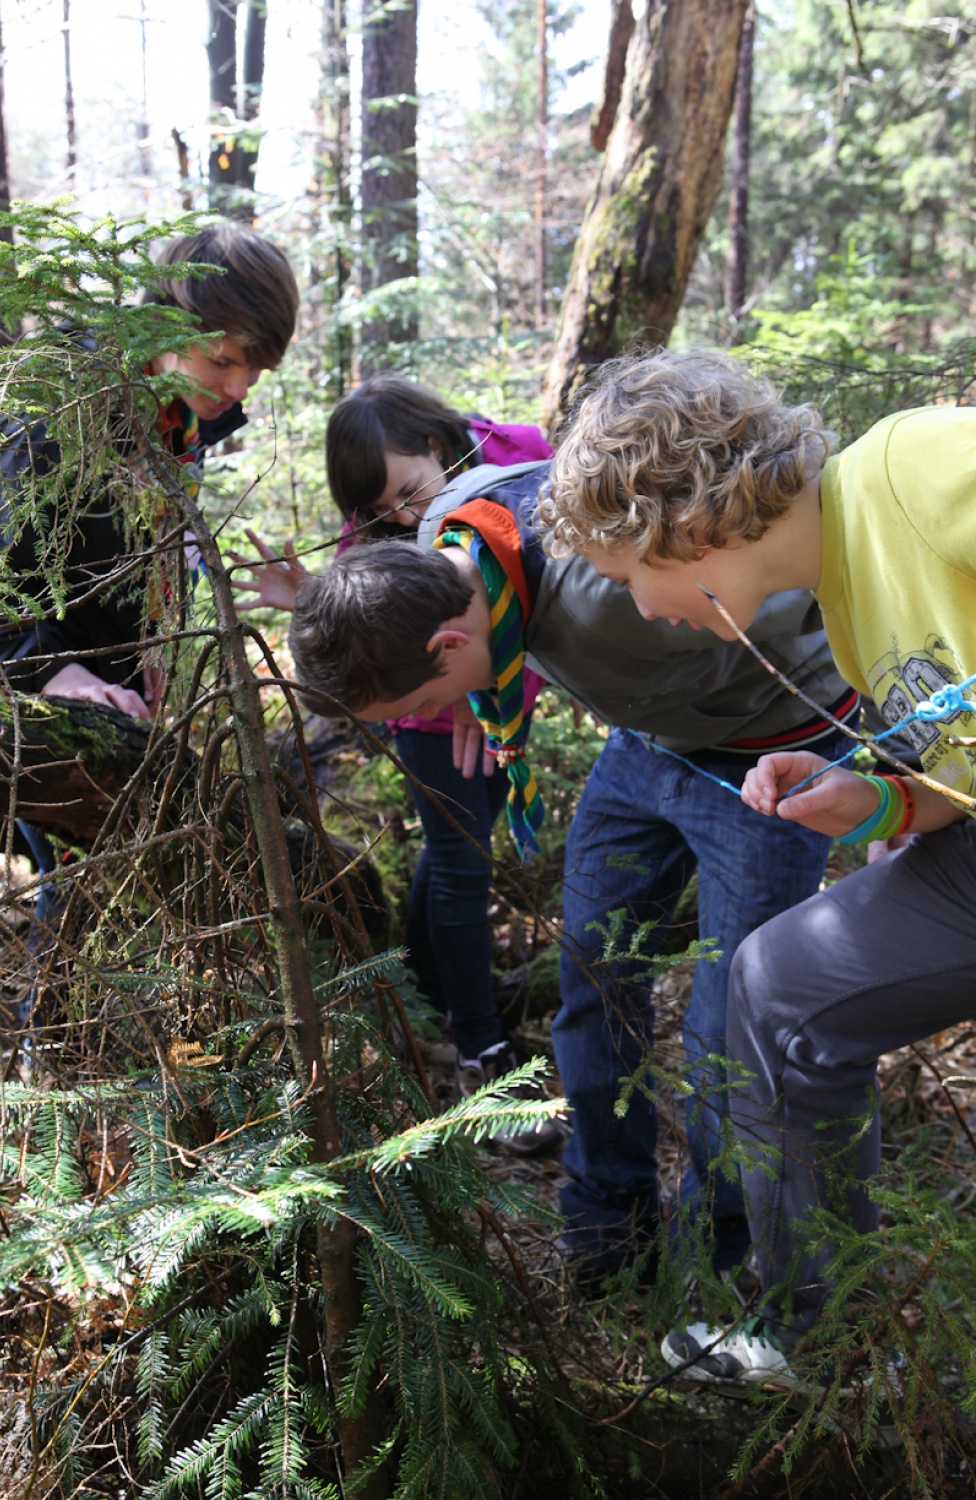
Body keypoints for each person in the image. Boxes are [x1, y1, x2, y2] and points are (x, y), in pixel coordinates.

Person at [285, 460, 858, 1282]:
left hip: (767, 756)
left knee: (727, 1024)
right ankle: (607, 1233)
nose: (428, 721)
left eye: (419, 704)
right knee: (591, 973)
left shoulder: (615, 599)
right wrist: (489, 696)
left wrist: (894, 763)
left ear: (449, 645)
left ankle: (714, 1259)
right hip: (647, 743)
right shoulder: (448, 531)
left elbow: (818, 579)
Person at [543, 344, 976, 1375]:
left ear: (679, 525)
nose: (642, 610)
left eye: (628, 578)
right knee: (774, 982)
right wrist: (880, 797)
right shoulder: (846, 605)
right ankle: (820, 1343)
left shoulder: (906, 470)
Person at [0, 223, 299, 1011]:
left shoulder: (181, 404)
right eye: (224, 361)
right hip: (34, 691)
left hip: (118, 678)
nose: (238, 388)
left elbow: (142, 530)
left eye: (256, 368)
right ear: (161, 323)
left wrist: (150, 641)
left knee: (101, 880)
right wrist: (60, 672)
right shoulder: (62, 411)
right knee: (72, 885)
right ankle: (39, 1073)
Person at [233, 378, 561, 1151]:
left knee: (457, 847)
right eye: (382, 515)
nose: (407, 520)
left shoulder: (527, 460)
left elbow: (549, 600)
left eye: (410, 494)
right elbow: (368, 625)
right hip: (420, 709)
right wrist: (308, 594)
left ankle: (425, 990)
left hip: (487, 688)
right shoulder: (372, 526)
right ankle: (478, 1047)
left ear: (439, 448)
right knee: (460, 859)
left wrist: (498, 698)